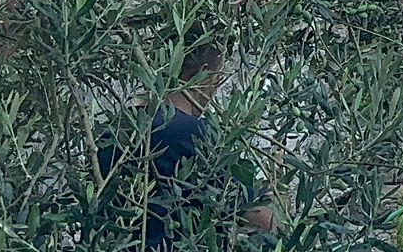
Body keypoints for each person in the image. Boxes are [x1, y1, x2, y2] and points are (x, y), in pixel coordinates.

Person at [100, 39, 277, 247]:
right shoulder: (197, 134)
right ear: (204, 74)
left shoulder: (113, 131)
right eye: (217, 81)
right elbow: (262, 219)